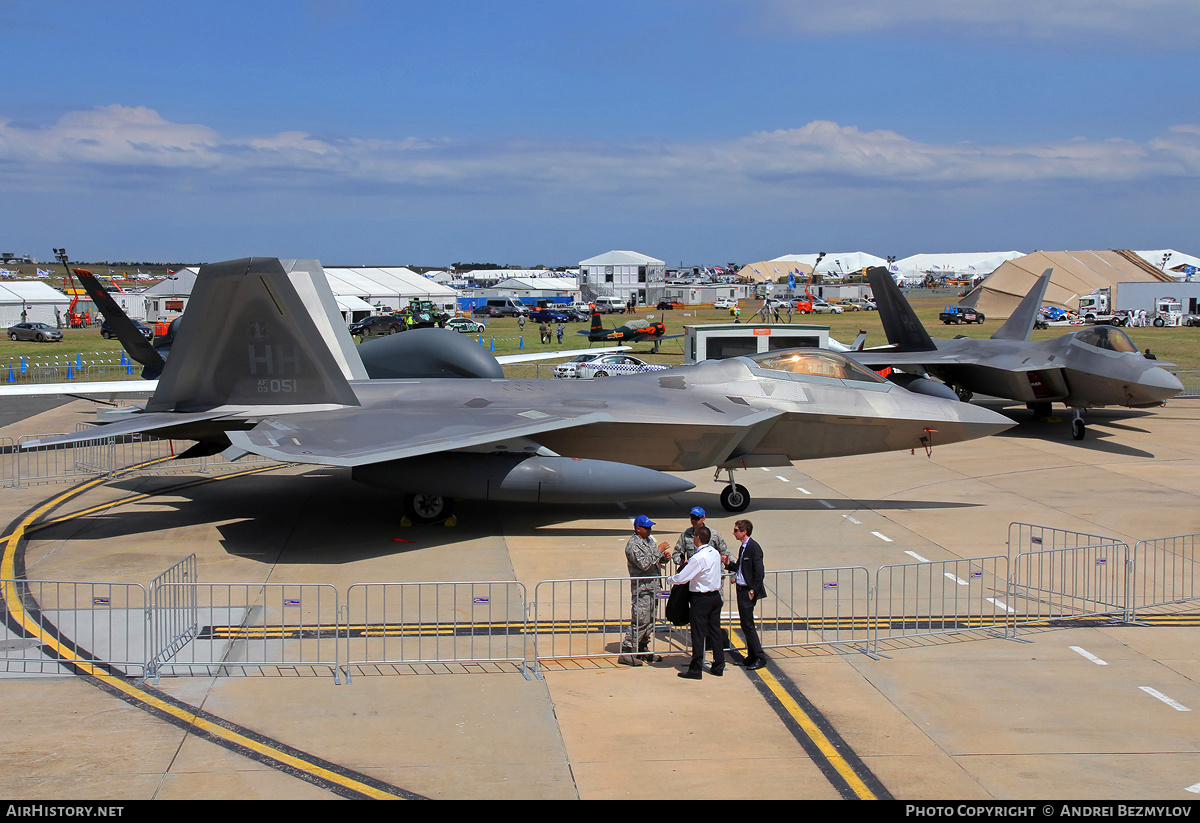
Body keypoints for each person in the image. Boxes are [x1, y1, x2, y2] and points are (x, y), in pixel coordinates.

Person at [666, 525, 725, 679]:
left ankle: (696, 669)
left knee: (698, 634)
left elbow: (682, 577)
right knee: (715, 631)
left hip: (701, 599)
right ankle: (719, 665)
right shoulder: (715, 553)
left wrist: (669, 580)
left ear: (698, 538)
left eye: (694, 537)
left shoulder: (698, 557)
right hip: (715, 597)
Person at [618, 515, 672, 666]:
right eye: (647, 528)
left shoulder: (648, 541)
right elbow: (644, 564)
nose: (650, 530)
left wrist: (663, 557)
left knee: (651, 620)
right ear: (638, 529)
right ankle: (627, 650)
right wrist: (658, 550)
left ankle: (642, 648)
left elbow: (654, 559)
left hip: (653, 587)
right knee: (640, 620)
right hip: (642, 589)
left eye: (650, 527)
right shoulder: (633, 545)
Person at [723, 519, 767, 670]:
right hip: (741, 590)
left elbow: (759, 573)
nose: (734, 532)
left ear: (744, 532)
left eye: (736, 530)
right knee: (745, 624)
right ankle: (752, 656)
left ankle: (760, 657)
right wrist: (728, 564)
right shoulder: (743, 547)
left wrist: (753, 590)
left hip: (747, 592)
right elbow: (741, 568)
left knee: (748, 625)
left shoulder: (754, 548)